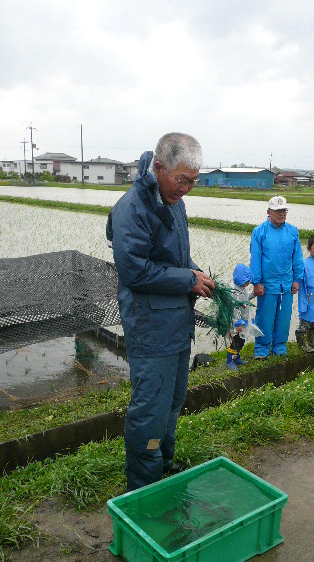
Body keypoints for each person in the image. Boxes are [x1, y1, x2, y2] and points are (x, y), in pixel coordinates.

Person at [106, 132, 214, 491]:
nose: (186, 188)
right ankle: (142, 484)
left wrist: (195, 273)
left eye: (193, 182)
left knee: (173, 401)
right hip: (151, 328)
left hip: (177, 325)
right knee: (150, 409)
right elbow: (134, 270)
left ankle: (163, 464)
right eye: (181, 180)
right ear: (159, 167)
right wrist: (187, 280)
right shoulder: (132, 208)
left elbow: (175, 259)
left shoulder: (173, 202)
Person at [250, 195, 304, 359]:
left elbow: (297, 257)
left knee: (283, 318)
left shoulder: (292, 231)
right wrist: (257, 282)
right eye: (277, 211)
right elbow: (256, 258)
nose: (281, 214)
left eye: (283, 211)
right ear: (269, 212)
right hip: (267, 285)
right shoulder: (259, 232)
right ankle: (262, 349)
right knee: (265, 318)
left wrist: (296, 279)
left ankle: (280, 347)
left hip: (286, 284)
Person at [226, 263, 255, 371]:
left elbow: (246, 300)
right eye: (247, 282)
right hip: (236, 324)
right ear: (241, 280)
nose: (248, 284)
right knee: (235, 342)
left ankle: (237, 358)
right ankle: (230, 361)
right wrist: (237, 324)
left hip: (243, 321)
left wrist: (253, 294)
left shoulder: (242, 289)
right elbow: (234, 310)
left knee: (241, 341)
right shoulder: (234, 292)